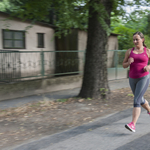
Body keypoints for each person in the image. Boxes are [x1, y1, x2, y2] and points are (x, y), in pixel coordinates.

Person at [122, 31, 150, 132]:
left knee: (136, 100)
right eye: (133, 39)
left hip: (144, 78)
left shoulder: (147, 51)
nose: (134, 41)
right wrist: (128, 62)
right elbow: (123, 65)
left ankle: (133, 124)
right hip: (132, 78)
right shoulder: (129, 51)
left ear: (142, 40)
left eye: (137, 39)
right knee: (140, 99)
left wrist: (148, 66)